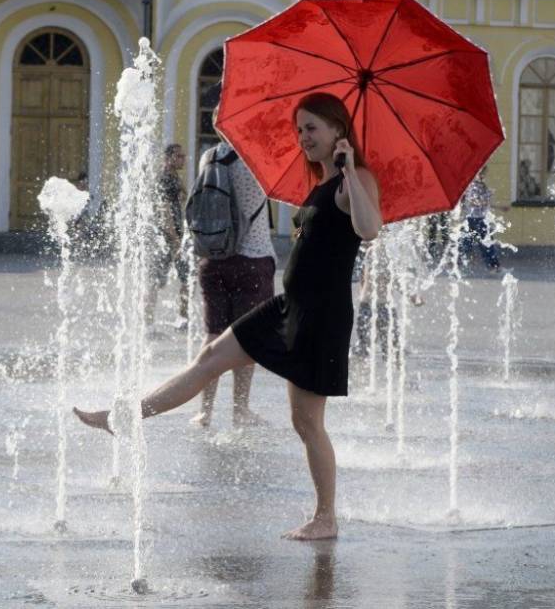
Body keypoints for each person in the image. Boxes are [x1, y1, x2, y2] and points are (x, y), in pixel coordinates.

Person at [75, 92, 381, 540]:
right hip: (288, 307)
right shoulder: (318, 183)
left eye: (311, 127)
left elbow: (369, 229)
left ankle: (326, 518)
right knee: (210, 357)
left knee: (307, 422)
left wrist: (349, 168)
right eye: (300, 129)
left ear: (338, 129)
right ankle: (127, 417)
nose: (303, 137)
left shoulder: (356, 180)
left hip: (322, 317)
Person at [190, 130, 275, 429]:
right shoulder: (259, 160)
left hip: (213, 259)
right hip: (253, 260)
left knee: (213, 335)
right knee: (246, 339)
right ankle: (240, 409)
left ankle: (205, 411)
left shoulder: (209, 156)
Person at [145, 143, 189, 332]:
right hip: (166, 238)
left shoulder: (172, 177)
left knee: (186, 278)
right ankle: (147, 324)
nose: (183, 159)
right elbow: (164, 211)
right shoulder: (164, 178)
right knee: (155, 281)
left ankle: (181, 319)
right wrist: (175, 238)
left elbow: (182, 197)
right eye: (179, 156)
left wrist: (182, 189)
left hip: (174, 236)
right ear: (169, 158)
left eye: (183, 156)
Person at [460, 166, 501, 272]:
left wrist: (500, 208)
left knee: (481, 242)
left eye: (483, 173)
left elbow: (485, 204)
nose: (482, 175)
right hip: (472, 218)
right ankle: (464, 264)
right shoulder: (472, 186)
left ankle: (492, 265)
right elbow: (472, 200)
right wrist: (482, 201)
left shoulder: (482, 186)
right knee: (473, 242)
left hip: (480, 218)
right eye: (480, 173)